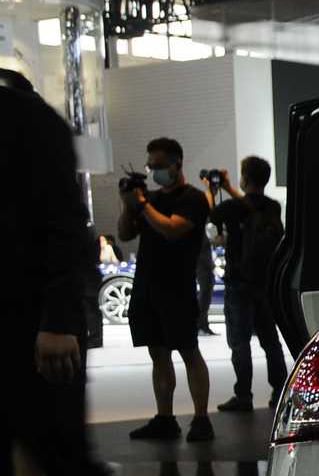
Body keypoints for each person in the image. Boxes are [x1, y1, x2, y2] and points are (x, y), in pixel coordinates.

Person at [0, 77, 182, 476]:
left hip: (31, 327)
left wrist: (58, 319)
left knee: (69, 471)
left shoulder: (26, 121)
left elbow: (65, 228)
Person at [119, 137, 214, 442]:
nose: (154, 171)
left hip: (177, 288)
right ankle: (165, 418)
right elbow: (124, 233)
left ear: (177, 164)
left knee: (189, 352)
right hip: (147, 286)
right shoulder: (150, 199)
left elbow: (172, 229)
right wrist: (128, 205)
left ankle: (201, 419)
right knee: (158, 354)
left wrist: (142, 205)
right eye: (151, 166)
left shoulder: (194, 199)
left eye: (159, 165)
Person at [205, 157, 290, 413]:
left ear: (244, 178)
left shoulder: (232, 207)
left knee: (240, 342)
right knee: (271, 341)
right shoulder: (273, 207)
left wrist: (212, 190)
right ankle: (280, 392)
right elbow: (250, 205)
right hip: (264, 284)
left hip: (238, 283)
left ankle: (243, 395)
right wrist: (230, 187)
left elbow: (210, 214)